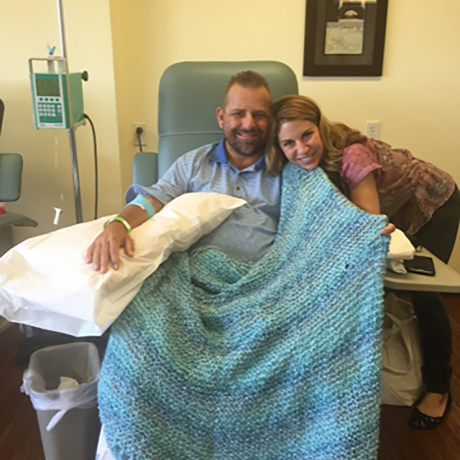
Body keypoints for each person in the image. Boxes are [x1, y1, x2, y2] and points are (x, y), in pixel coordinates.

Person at [266, 94, 460, 429]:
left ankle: (439, 388)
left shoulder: (351, 153)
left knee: (426, 294)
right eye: (289, 142)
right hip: (394, 206)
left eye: (307, 135)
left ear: (320, 126)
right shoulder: (296, 165)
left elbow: (368, 222)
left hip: (434, 201)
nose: (301, 149)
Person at [86, 70, 280, 272]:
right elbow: (153, 200)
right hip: (196, 276)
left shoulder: (286, 170)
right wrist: (119, 224)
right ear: (221, 117)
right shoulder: (193, 163)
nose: (249, 124)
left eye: (259, 115)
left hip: (267, 277)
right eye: (238, 114)